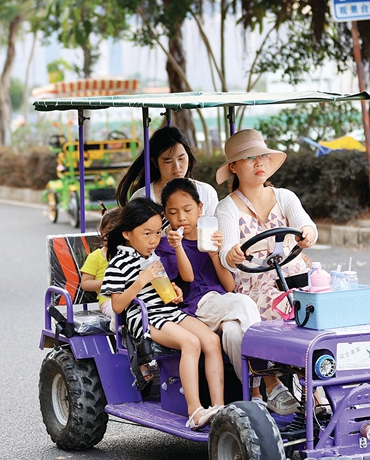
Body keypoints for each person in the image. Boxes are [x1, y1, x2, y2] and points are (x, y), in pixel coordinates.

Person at [215, 128, 318, 415]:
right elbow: (225, 255)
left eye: (262, 156)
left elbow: (306, 225)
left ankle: (318, 392)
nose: (259, 163)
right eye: (249, 158)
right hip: (255, 285)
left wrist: (308, 233)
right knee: (268, 312)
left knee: (318, 307)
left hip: (294, 277)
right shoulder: (227, 208)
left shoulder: (284, 196)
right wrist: (232, 254)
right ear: (234, 167)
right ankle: (271, 385)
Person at [100, 198, 224, 430]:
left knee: (212, 340)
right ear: (127, 234)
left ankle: (219, 406)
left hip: (167, 311)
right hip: (144, 317)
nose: (154, 240)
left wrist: (174, 292)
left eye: (157, 233)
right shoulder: (118, 263)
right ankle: (194, 410)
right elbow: (118, 307)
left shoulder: (151, 257)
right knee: (191, 342)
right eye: (147, 234)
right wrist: (140, 281)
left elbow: (162, 290)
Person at [155, 178, 266, 397]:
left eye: (187, 209)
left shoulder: (211, 237)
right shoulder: (166, 245)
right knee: (244, 302)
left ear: (200, 208)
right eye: (173, 212)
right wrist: (177, 246)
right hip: (195, 307)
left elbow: (229, 285)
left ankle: (255, 393)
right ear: (165, 215)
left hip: (220, 304)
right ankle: (271, 382)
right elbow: (187, 278)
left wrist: (215, 253)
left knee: (234, 334)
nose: (181, 217)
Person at [115, 126, 218, 215]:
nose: (177, 167)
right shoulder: (143, 196)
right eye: (168, 161)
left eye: (181, 159)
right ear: (155, 162)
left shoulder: (206, 192)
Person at [79, 207, 122, 318]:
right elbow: (85, 284)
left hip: (130, 298)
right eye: (107, 235)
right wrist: (108, 282)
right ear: (102, 232)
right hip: (108, 301)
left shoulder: (129, 254)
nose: (110, 238)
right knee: (121, 313)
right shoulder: (95, 257)